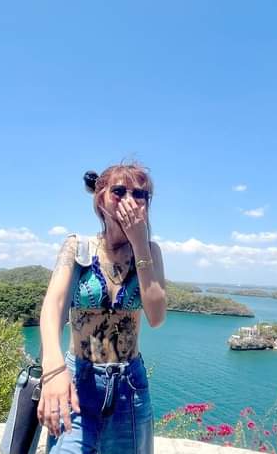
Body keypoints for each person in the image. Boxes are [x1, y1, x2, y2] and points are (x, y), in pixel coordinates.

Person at [38, 162, 167, 453]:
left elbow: (157, 316)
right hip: (78, 382)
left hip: (129, 387)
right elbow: (53, 305)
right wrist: (53, 369)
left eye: (139, 194)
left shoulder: (151, 252)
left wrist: (139, 243)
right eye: (119, 191)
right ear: (100, 198)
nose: (129, 200)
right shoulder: (77, 247)